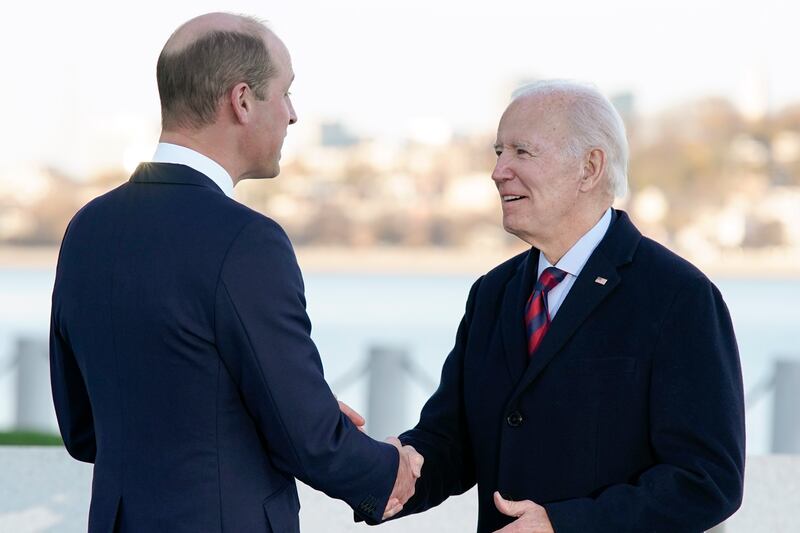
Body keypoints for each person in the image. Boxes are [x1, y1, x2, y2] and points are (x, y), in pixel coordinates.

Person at [49, 12, 421, 532]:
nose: (293, 115)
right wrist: (387, 474)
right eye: (285, 93)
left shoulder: (86, 229)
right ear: (242, 101)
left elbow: (83, 429)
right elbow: (306, 438)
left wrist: (264, 411)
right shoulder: (247, 241)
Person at [390, 81, 745, 532]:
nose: (499, 171)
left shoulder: (680, 297)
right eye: (499, 152)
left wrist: (564, 525)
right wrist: (385, 470)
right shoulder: (493, 293)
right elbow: (451, 442)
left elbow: (707, 480)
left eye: (522, 152)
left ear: (589, 168)